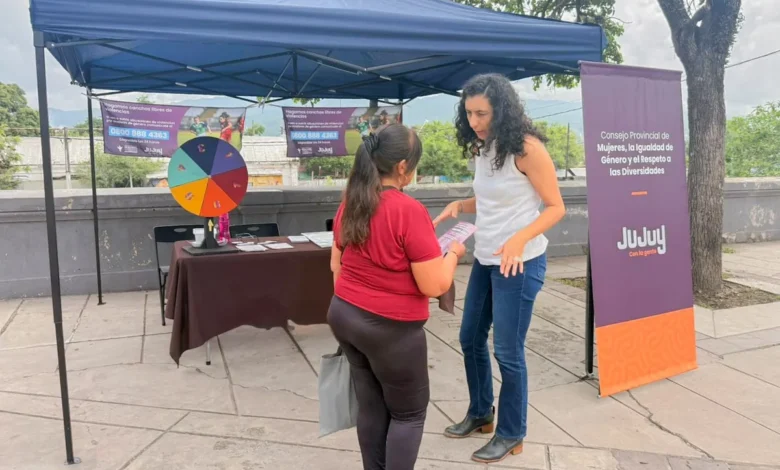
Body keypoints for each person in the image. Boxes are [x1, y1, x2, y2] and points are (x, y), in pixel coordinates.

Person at [433, 73, 565, 464]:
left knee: (507, 351)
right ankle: (480, 414)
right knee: (470, 337)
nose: (474, 121)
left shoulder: (528, 149)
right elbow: (495, 198)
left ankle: (511, 433)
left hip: (520, 263)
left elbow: (555, 207)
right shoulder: (483, 147)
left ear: (501, 110)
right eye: (469, 113)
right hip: (488, 258)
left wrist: (520, 239)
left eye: (482, 113)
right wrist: (462, 204)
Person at [328, 123, 466, 470]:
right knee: (408, 414)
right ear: (403, 167)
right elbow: (434, 285)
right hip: (390, 329)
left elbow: (336, 264)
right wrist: (453, 253)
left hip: (345, 315)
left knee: (372, 405)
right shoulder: (408, 209)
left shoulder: (351, 202)